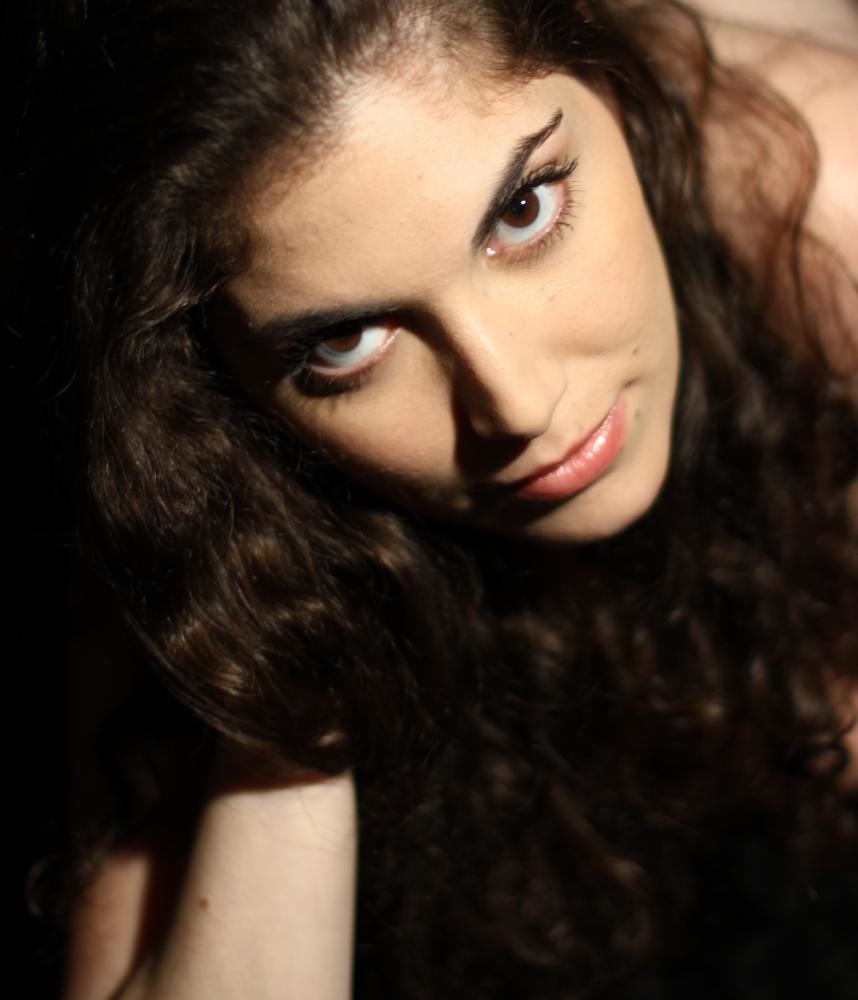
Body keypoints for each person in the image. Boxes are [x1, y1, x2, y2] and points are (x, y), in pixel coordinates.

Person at [8, 0, 857, 996]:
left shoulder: (817, 212)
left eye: (524, 210)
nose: (517, 404)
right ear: (213, 387)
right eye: (346, 342)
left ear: (612, 84)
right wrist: (266, 614)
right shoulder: (178, 511)